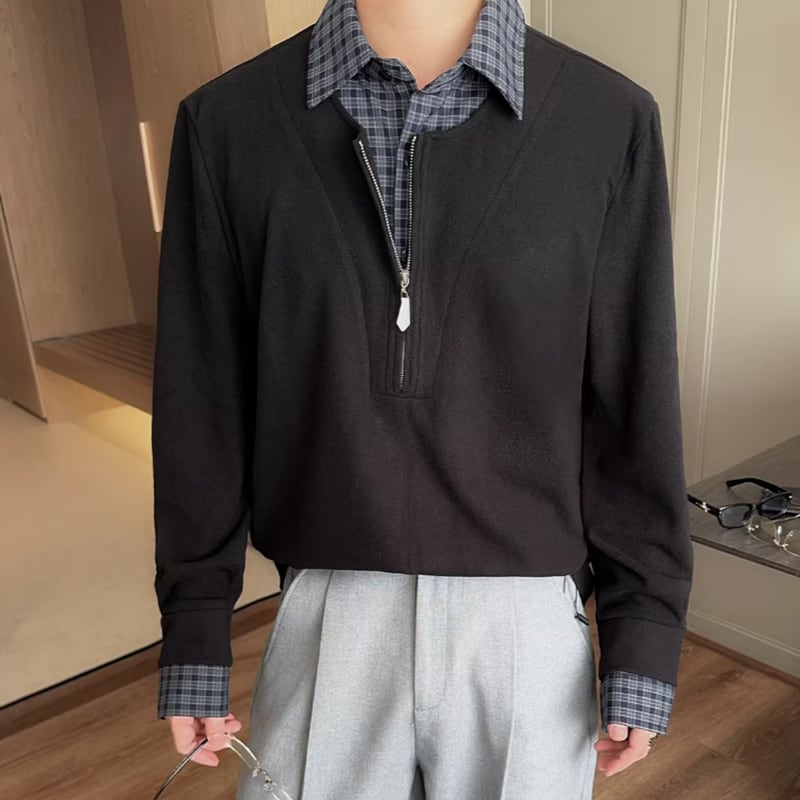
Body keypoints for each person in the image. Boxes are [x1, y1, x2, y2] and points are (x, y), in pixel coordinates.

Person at [151, 0, 694, 796]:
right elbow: (202, 399)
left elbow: (632, 399)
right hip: (329, 612)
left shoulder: (609, 120)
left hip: (524, 625)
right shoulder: (227, 123)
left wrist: (642, 630)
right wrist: (195, 628)